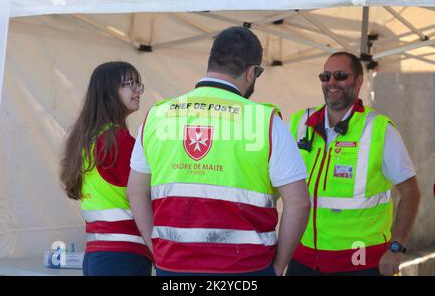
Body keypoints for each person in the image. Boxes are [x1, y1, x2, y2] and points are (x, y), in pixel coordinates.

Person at [126, 26, 310, 276]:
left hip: (174, 268)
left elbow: (136, 190)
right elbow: (299, 203)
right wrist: (277, 268)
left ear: (211, 62)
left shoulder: (158, 116)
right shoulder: (265, 121)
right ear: (251, 73)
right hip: (246, 270)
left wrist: (157, 248)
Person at [286, 52, 421, 276]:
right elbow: (279, 183)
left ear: (359, 81)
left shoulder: (378, 128)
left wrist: (396, 248)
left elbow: (411, 192)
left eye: (340, 76)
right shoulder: (300, 123)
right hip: (304, 258)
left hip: (361, 262)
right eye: (325, 76)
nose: (331, 82)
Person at [60, 61, 152, 276]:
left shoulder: (88, 139)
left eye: (139, 84)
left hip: (96, 254)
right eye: (130, 84)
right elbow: (147, 192)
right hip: (124, 255)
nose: (138, 90)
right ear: (109, 90)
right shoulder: (117, 141)